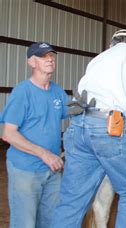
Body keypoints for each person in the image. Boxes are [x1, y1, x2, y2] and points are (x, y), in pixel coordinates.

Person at [52, 30, 126, 228]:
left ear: (111, 45)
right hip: (107, 127)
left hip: (78, 126)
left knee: (73, 200)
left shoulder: (99, 59)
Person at [1, 42, 68, 228]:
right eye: (43, 56)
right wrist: (44, 153)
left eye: (52, 56)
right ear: (32, 62)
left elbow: (74, 112)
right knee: (25, 223)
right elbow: (8, 134)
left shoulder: (58, 91)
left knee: (51, 221)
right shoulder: (23, 92)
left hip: (52, 170)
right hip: (26, 170)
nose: (50, 59)